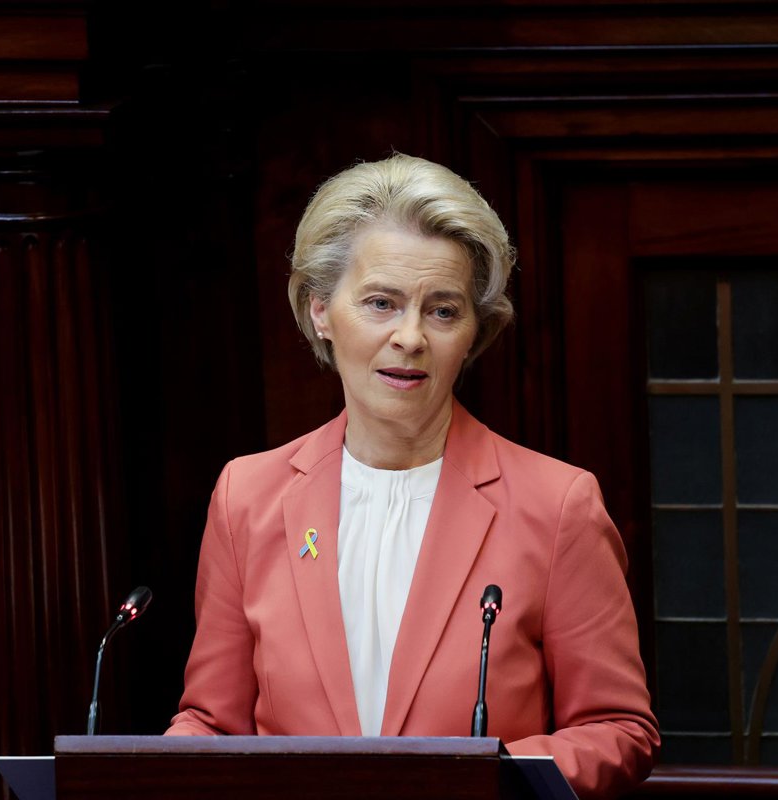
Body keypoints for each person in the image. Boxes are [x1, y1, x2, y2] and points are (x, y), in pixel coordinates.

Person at [165, 153, 659, 798]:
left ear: (474, 332)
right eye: (381, 303)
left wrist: (482, 784)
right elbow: (212, 722)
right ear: (321, 311)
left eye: (443, 311)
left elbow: (617, 729)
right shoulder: (247, 497)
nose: (410, 337)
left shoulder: (558, 504)